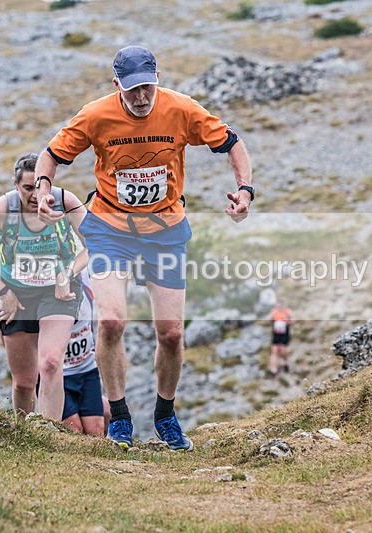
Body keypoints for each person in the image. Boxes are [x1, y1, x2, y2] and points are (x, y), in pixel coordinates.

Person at [34, 46, 254, 451]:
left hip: (165, 229)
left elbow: (233, 143)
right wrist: (44, 189)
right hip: (110, 229)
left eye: (148, 88)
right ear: (116, 84)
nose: (141, 98)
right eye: (133, 89)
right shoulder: (95, 115)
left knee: (170, 333)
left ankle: (165, 414)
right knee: (111, 322)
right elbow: (49, 157)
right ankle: (119, 418)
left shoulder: (181, 109)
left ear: (158, 80)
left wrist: (244, 190)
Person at [0, 152, 88, 422]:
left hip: (58, 290)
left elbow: (96, 245)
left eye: (39, 187)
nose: (34, 195)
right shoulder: (3, 208)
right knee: (24, 382)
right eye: (27, 188)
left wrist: (67, 274)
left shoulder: (66, 202)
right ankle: (24, 434)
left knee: (51, 363)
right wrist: (2, 290)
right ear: (15, 185)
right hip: (15, 293)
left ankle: (50, 435)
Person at [55, 269, 111, 435]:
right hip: (60, 376)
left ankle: (101, 457)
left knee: (97, 430)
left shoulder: (86, 280)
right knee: (74, 429)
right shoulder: (46, 290)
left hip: (86, 370)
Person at [269, 301, 295, 377]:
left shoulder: (287, 311)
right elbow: (269, 319)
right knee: (274, 352)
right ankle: (274, 370)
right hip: (276, 334)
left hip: (284, 334)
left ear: (283, 306)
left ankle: (285, 362)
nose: (279, 307)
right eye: (277, 306)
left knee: (284, 352)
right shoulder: (274, 312)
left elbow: (293, 320)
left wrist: (287, 322)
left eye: (280, 306)